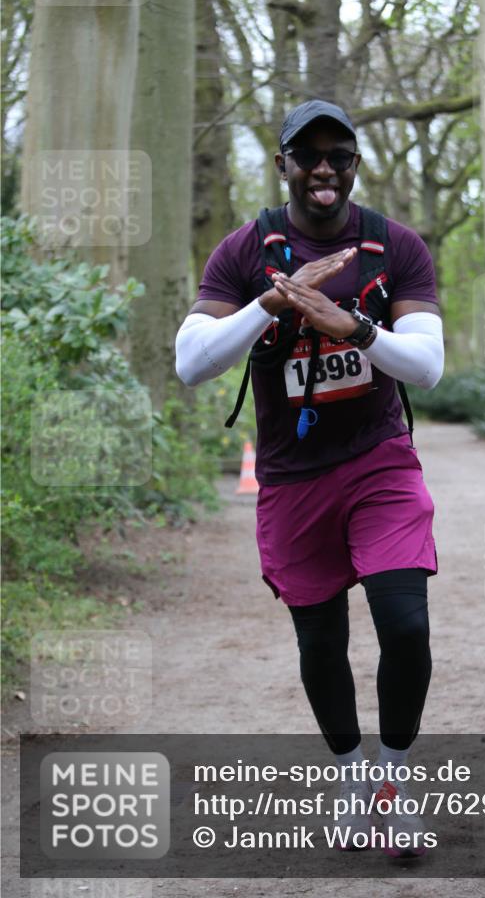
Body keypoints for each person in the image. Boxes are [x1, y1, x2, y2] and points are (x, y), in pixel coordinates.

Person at [175, 100, 444, 857]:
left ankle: (393, 785)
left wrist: (351, 325)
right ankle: (351, 777)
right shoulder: (241, 251)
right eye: (308, 154)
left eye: (339, 154)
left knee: (405, 624)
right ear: (284, 164)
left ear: (354, 165)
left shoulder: (394, 246)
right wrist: (273, 302)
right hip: (291, 479)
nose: (324, 167)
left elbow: (426, 367)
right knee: (320, 643)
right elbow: (192, 365)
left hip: (378, 462)